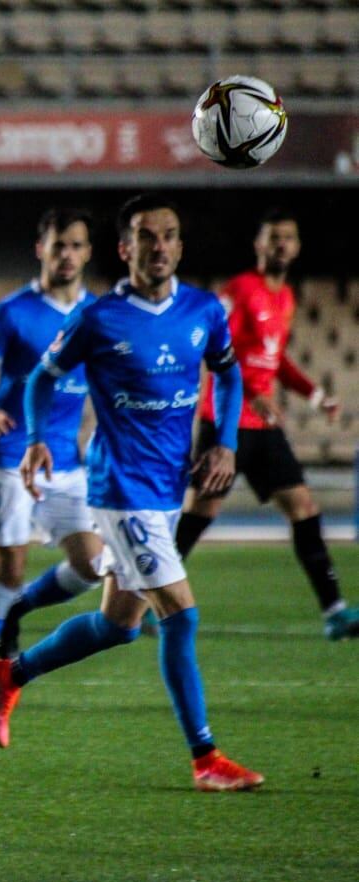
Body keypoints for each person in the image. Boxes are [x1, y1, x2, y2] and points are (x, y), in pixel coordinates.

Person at [0, 194, 263, 792]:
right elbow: (41, 378)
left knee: (119, 625)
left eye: (168, 235)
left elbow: (230, 373)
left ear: (180, 246)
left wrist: (227, 441)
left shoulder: (204, 311)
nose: (158, 246)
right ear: (124, 248)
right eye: (145, 235)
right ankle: (205, 758)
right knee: (181, 616)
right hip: (119, 489)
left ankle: (8, 675)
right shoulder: (98, 319)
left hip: (166, 486)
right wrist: (36, 438)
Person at [174, 212, 358, 641]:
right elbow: (217, 348)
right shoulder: (239, 291)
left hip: (263, 425)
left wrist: (315, 395)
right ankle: (146, 597)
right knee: (202, 511)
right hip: (225, 422)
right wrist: (249, 392)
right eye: (273, 237)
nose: (281, 245)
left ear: (296, 246)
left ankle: (335, 611)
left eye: (288, 238)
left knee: (304, 508)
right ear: (258, 244)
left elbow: (277, 362)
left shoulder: (286, 298)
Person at [0, 209, 106, 705]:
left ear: (88, 253)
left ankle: (17, 610)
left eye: (77, 246)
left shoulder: (99, 315)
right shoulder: (12, 312)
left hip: (67, 461)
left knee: (91, 566)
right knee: (8, 570)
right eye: (59, 245)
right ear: (42, 249)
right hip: (10, 453)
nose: (67, 255)